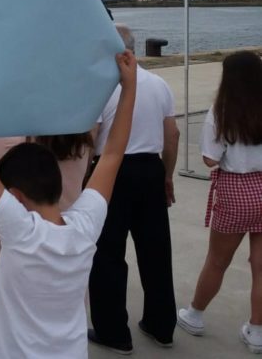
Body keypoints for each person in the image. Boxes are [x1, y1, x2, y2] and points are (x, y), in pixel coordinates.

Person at [0, 46, 137, 357]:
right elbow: (114, 153)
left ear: (15, 197)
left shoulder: (19, 231)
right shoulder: (86, 225)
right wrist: (130, 86)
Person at [88, 24, 180, 352]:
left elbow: (90, 138)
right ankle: (161, 326)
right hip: (151, 169)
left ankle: (114, 332)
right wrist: (166, 175)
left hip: (113, 171)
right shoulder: (159, 84)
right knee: (156, 251)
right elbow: (172, 135)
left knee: (108, 254)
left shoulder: (102, 87)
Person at [177, 51, 262, 352]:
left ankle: (195, 315)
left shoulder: (222, 110)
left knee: (217, 260)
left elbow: (210, 159)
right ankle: (257, 331)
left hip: (237, 189)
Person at [0, 132, 94, 293]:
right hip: (69, 249)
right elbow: (111, 156)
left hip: (19, 255)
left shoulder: (7, 140)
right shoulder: (81, 139)